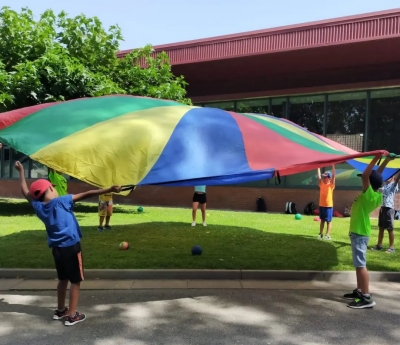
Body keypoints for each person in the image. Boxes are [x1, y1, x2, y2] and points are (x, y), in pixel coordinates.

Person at [14, 160, 121, 325]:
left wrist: (21, 171)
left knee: (62, 279)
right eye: (53, 186)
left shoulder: (39, 207)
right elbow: (88, 194)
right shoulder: (62, 201)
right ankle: (72, 315)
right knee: (75, 281)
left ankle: (60, 310)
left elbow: (25, 191)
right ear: (50, 188)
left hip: (56, 249)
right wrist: (110, 189)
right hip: (72, 247)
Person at [344, 152, 392, 309]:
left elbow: (366, 175)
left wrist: (376, 157)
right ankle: (360, 291)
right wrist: (386, 160)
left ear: (369, 184)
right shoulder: (376, 193)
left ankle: (366, 297)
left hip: (360, 233)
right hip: (358, 232)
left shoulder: (370, 194)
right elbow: (377, 177)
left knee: (360, 264)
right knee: (358, 264)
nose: (362, 181)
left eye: (365, 181)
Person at [371, 171, 400, 253]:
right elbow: (375, 189)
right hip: (383, 208)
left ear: (393, 177)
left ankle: (391, 247)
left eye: (391, 176)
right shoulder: (385, 186)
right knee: (381, 228)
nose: (388, 178)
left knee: (390, 229)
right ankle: (379, 245)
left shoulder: (394, 185)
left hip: (389, 209)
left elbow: (397, 178)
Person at [317, 166, 335, 240]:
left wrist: (333, 166)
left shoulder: (331, 185)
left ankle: (327, 235)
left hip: (328, 206)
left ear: (329, 178)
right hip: (322, 205)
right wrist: (317, 167)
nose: (324, 179)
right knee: (322, 220)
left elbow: (334, 176)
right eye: (323, 177)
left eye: (326, 177)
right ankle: (320, 234)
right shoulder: (321, 184)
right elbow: (318, 176)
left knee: (328, 221)